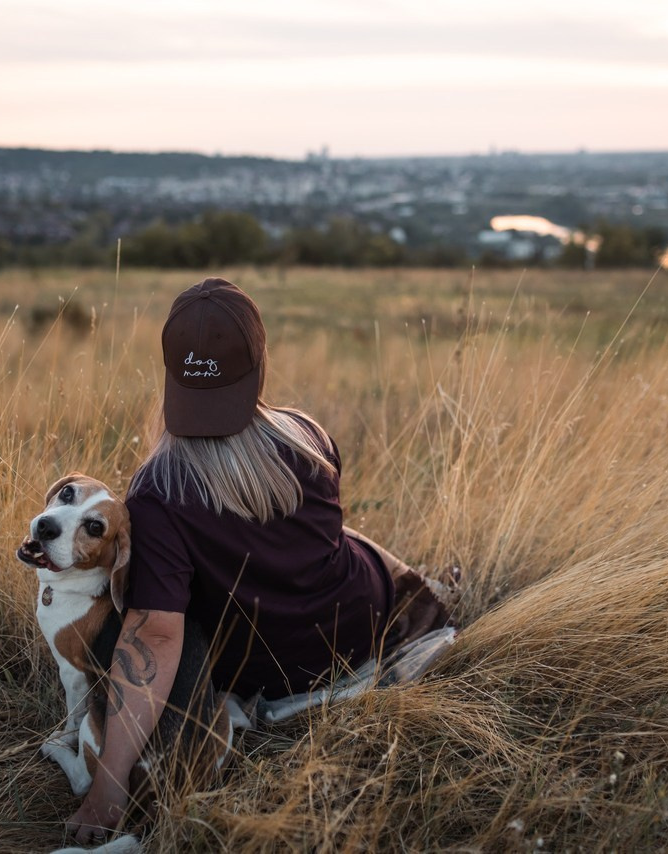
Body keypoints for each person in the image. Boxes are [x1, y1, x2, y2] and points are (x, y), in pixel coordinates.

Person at [66, 277, 452, 843]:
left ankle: (427, 586)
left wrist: (107, 789)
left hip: (264, 669)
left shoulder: (156, 492)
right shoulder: (306, 437)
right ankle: (431, 591)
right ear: (259, 366)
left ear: (172, 373)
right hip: (356, 629)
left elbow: (156, 637)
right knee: (351, 542)